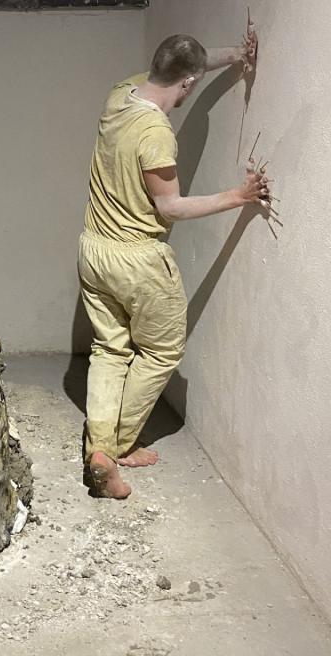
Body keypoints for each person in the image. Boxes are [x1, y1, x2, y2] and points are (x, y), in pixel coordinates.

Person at [78, 31, 269, 499]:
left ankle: (99, 448)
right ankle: (117, 448)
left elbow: (184, 65)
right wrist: (239, 196)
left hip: (94, 248)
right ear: (187, 83)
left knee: (109, 349)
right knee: (161, 352)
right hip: (136, 259)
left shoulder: (120, 95)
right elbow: (170, 207)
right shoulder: (155, 134)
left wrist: (236, 56)